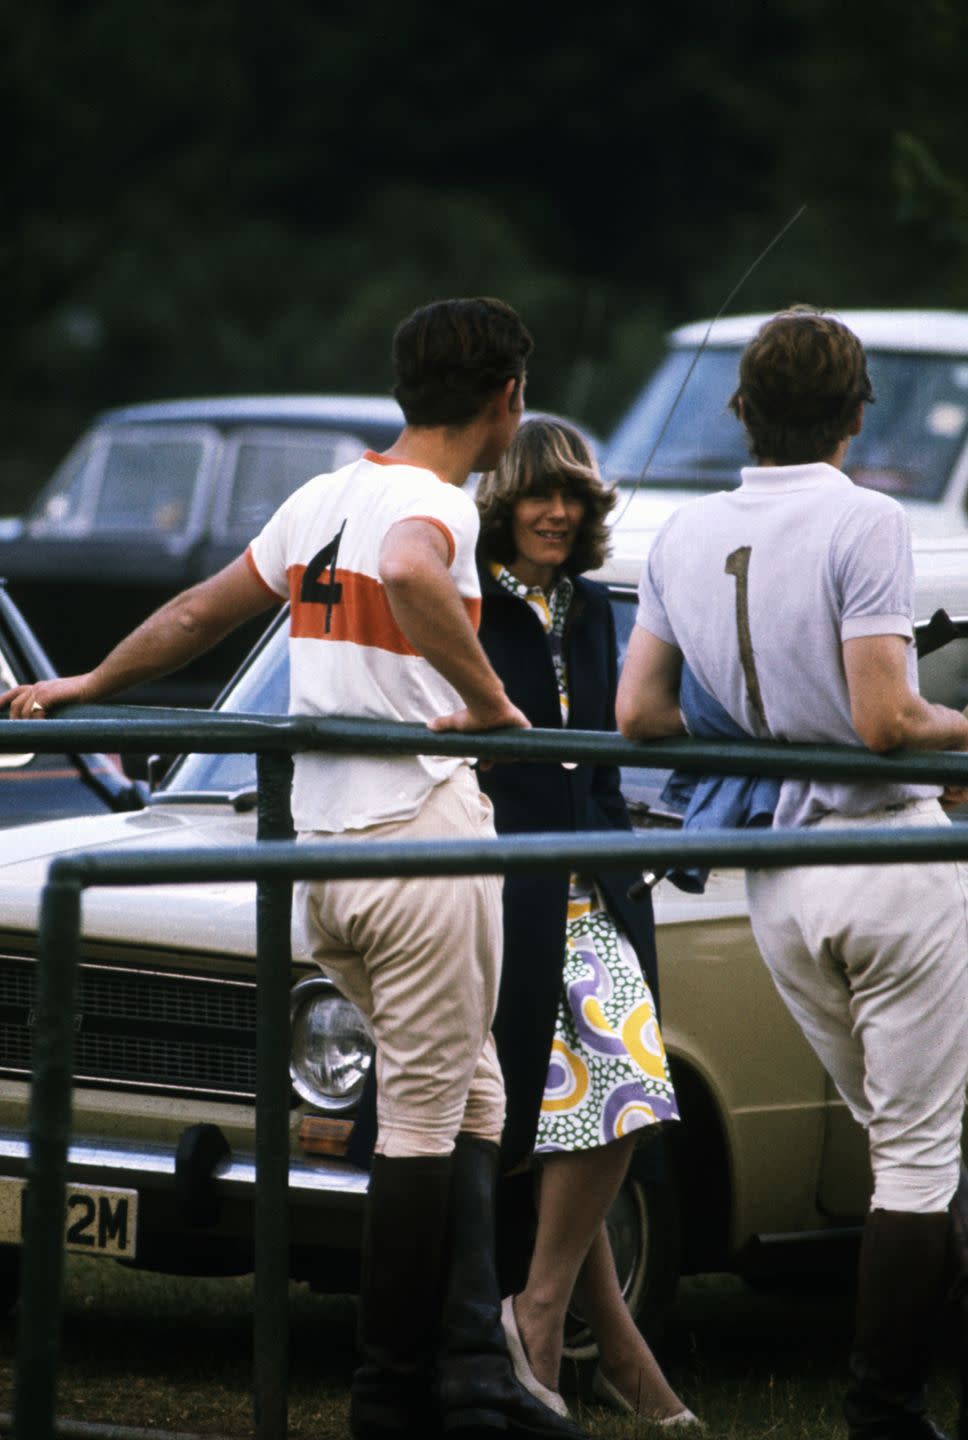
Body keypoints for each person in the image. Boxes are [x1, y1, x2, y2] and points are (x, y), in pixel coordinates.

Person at [2, 297, 588, 1440]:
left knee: (473, 1088)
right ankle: (391, 1396)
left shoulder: (323, 497)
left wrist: (82, 686)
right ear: (507, 401)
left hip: (322, 853)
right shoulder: (434, 509)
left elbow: (192, 613)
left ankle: (473, 1365)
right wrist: (489, 703)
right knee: (423, 1113)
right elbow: (418, 575)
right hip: (417, 837)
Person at [616, 304, 968, 1440]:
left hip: (780, 881)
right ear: (855, 413)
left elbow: (639, 714)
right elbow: (882, 719)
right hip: (884, 855)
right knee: (916, 1163)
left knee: (901, 1145)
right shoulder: (862, 519)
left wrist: (760, 720)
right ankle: (881, 1411)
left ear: (740, 411)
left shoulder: (677, 535)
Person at [471, 417, 697, 1427]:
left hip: (590, 883)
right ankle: (601, 1348)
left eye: (572, 496)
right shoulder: (468, 600)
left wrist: (621, 863)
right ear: (502, 503)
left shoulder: (596, 605)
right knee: (595, 1098)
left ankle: (543, 1316)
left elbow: (606, 758)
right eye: (536, 495)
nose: (557, 513)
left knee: (620, 1088)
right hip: (501, 885)